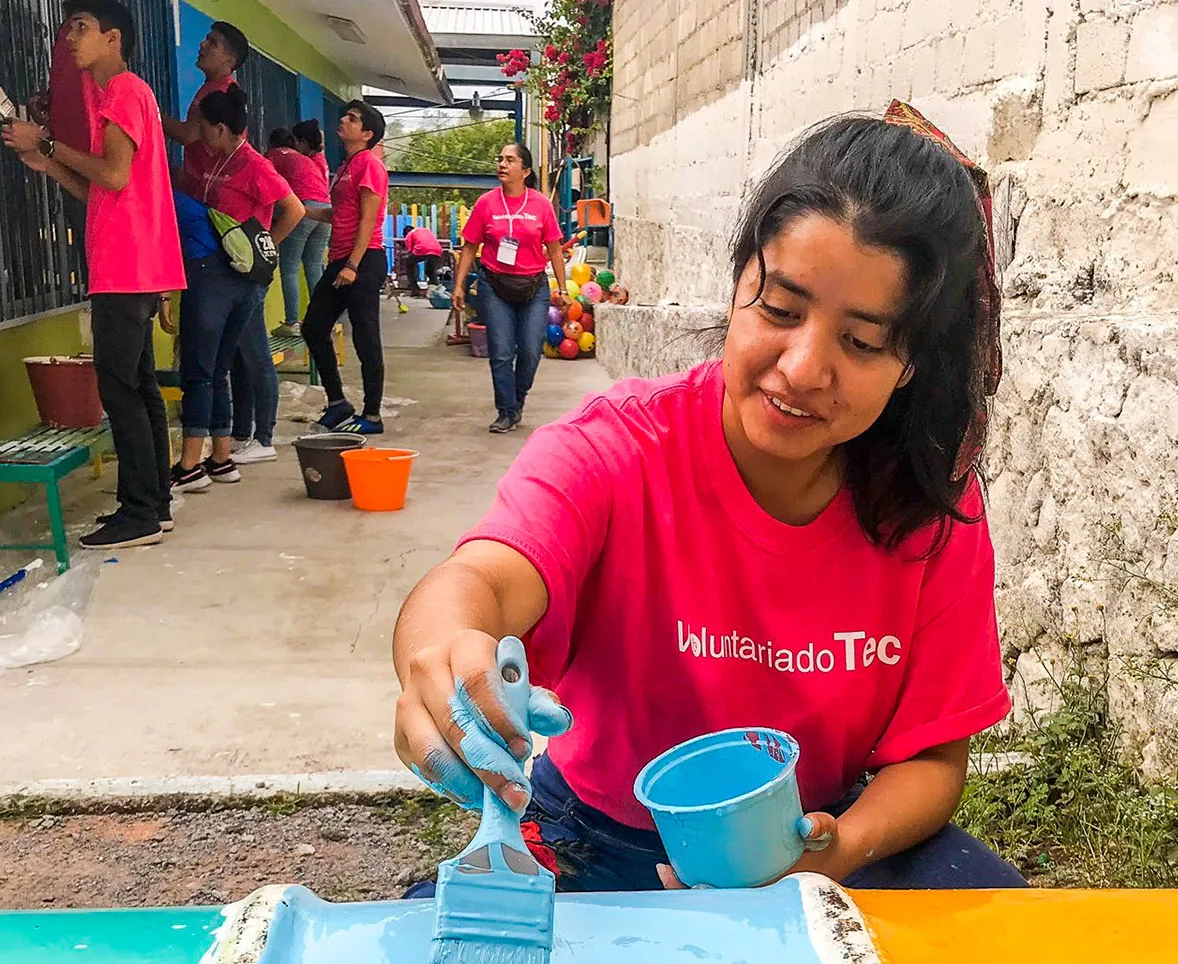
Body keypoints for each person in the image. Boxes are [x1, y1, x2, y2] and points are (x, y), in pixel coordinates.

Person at [392, 106, 1023, 896]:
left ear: (910, 366)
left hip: (814, 841)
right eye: (780, 310)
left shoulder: (926, 507)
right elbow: (481, 579)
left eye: (860, 343)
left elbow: (931, 758)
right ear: (737, 287)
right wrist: (444, 651)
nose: (800, 369)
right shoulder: (617, 450)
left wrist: (841, 846)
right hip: (595, 838)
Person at [4, 1, 183, 550]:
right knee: (140, 386)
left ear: (112, 37)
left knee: (120, 389)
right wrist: (49, 164)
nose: (70, 38)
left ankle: (139, 514)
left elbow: (112, 171)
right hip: (132, 260)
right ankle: (155, 503)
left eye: (80, 28)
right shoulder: (123, 96)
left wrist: (48, 142)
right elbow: (101, 191)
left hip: (126, 265)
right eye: (68, 29)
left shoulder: (125, 92)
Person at [173, 87, 304, 484]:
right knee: (217, 368)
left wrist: (263, 248)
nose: (198, 135)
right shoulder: (217, 161)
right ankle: (222, 457)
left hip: (230, 275)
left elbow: (293, 209)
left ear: (222, 128)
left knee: (205, 367)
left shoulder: (254, 165)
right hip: (213, 269)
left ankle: (190, 464)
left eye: (203, 128)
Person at [451, 142, 566, 434]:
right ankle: (506, 411)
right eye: (500, 159)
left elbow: (554, 248)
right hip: (494, 285)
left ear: (525, 170)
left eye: (510, 160)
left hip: (533, 286)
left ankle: (518, 400)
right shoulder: (486, 203)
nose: (502, 164)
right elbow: (469, 248)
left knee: (529, 350)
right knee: (501, 352)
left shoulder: (540, 204)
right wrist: (459, 286)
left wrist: (562, 288)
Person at [299, 101, 390, 436]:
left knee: (366, 337)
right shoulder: (347, 166)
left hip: (363, 260)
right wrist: (302, 210)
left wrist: (352, 263)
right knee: (313, 327)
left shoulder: (369, 164)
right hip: (342, 259)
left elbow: (368, 219)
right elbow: (338, 215)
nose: (343, 121)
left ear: (367, 134)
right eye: (346, 116)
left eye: (353, 119)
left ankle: (373, 415)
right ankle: (338, 403)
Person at [163, 19, 248, 191]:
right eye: (206, 39)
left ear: (228, 61)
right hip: (202, 186)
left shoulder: (222, 94)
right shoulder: (212, 87)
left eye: (213, 43)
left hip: (213, 192)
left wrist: (151, 110)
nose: (203, 44)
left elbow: (188, 135)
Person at [266, 126, 332, 337]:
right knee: (314, 266)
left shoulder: (273, 155)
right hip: (325, 210)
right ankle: (321, 320)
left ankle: (292, 321)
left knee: (290, 267)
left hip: (303, 209)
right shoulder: (308, 160)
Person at [399, 223, 443, 296]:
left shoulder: (409, 235)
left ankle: (415, 289)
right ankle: (436, 290)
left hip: (422, 249)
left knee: (409, 264)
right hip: (438, 250)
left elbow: (410, 250)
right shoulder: (426, 230)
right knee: (430, 270)